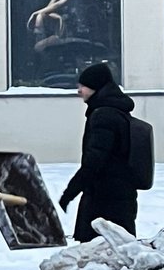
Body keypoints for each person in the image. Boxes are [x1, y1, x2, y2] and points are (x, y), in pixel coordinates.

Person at [58, 62, 138, 241]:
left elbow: (94, 161)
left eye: (83, 86)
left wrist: (69, 193)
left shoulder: (104, 116)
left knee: (99, 253)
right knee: (119, 250)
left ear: (96, 87)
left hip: (105, 199)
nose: (78, 90)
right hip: (119, 195)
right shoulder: (116, 111)